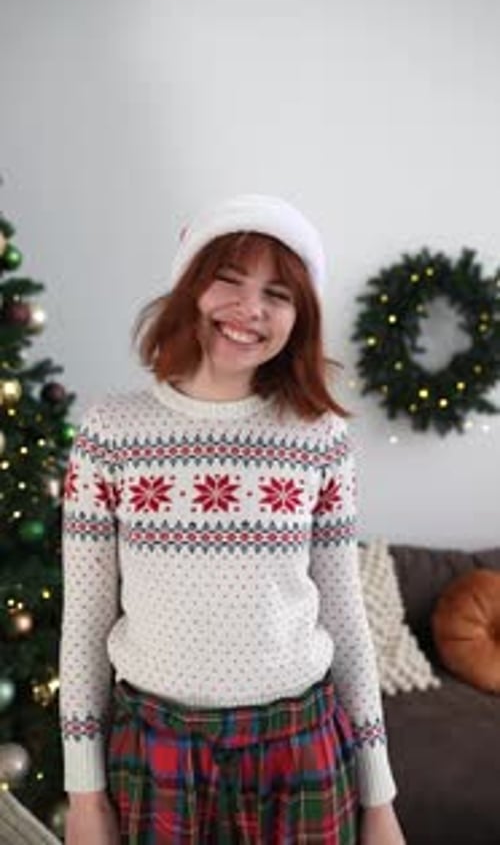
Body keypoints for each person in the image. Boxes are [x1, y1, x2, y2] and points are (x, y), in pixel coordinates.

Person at [60, 194, 405, 844]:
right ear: (190, 289)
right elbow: (84, 623)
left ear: (298, 318)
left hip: (299, 750)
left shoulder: (319, 436)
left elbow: (345, 620)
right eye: (229, 280)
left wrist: (379, 798)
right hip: (156, 752)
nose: (250, 310)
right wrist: (84, 795)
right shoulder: (111, 430)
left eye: (277, 293)